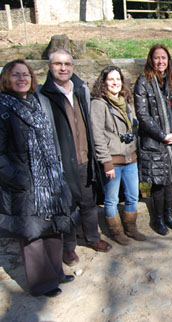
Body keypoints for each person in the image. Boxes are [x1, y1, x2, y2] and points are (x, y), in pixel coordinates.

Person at [0, 60, 75, 297]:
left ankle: (56, 273)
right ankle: (42, 283)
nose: (22, 79)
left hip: (49, 179)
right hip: (23, 182)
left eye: (26, 74)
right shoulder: (3, 108)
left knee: (53, 226)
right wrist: (19, 178)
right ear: (6, 79)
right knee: (32, 232)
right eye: (16, 75)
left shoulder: (34, 103)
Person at [38, 49, 112, 267]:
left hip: (85, 159)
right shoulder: (44, 96)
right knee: (67, 207)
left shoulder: (81, 89)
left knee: (89, 203)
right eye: (58, 64)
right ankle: (68, 247)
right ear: (50, 67)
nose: (63, 68)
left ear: (73, 67)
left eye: (67, 64)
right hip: (62, 162)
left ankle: (92, 237)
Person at [134, 44, 172, 236]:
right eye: (157, 58)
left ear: (168, 61)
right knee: (158, 181)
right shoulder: (143, 81)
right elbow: (142, 114)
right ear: (151, 59)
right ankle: (157, 219)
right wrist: (162, 135)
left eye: (164, 58)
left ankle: (169, 215)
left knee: (171, 179)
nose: (160, 61)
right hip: (155, 141)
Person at [90, 66, 146, 245]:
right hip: (112, 160)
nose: (115, 83)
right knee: (112, 199)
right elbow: (97, 135)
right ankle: (116, 232)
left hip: (130, 157)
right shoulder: (98, 104)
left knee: (132, 196)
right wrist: (106, 162)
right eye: (111, 79)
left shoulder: (125, 101)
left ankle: (131, 228)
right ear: (103, 82)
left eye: (118, 79)